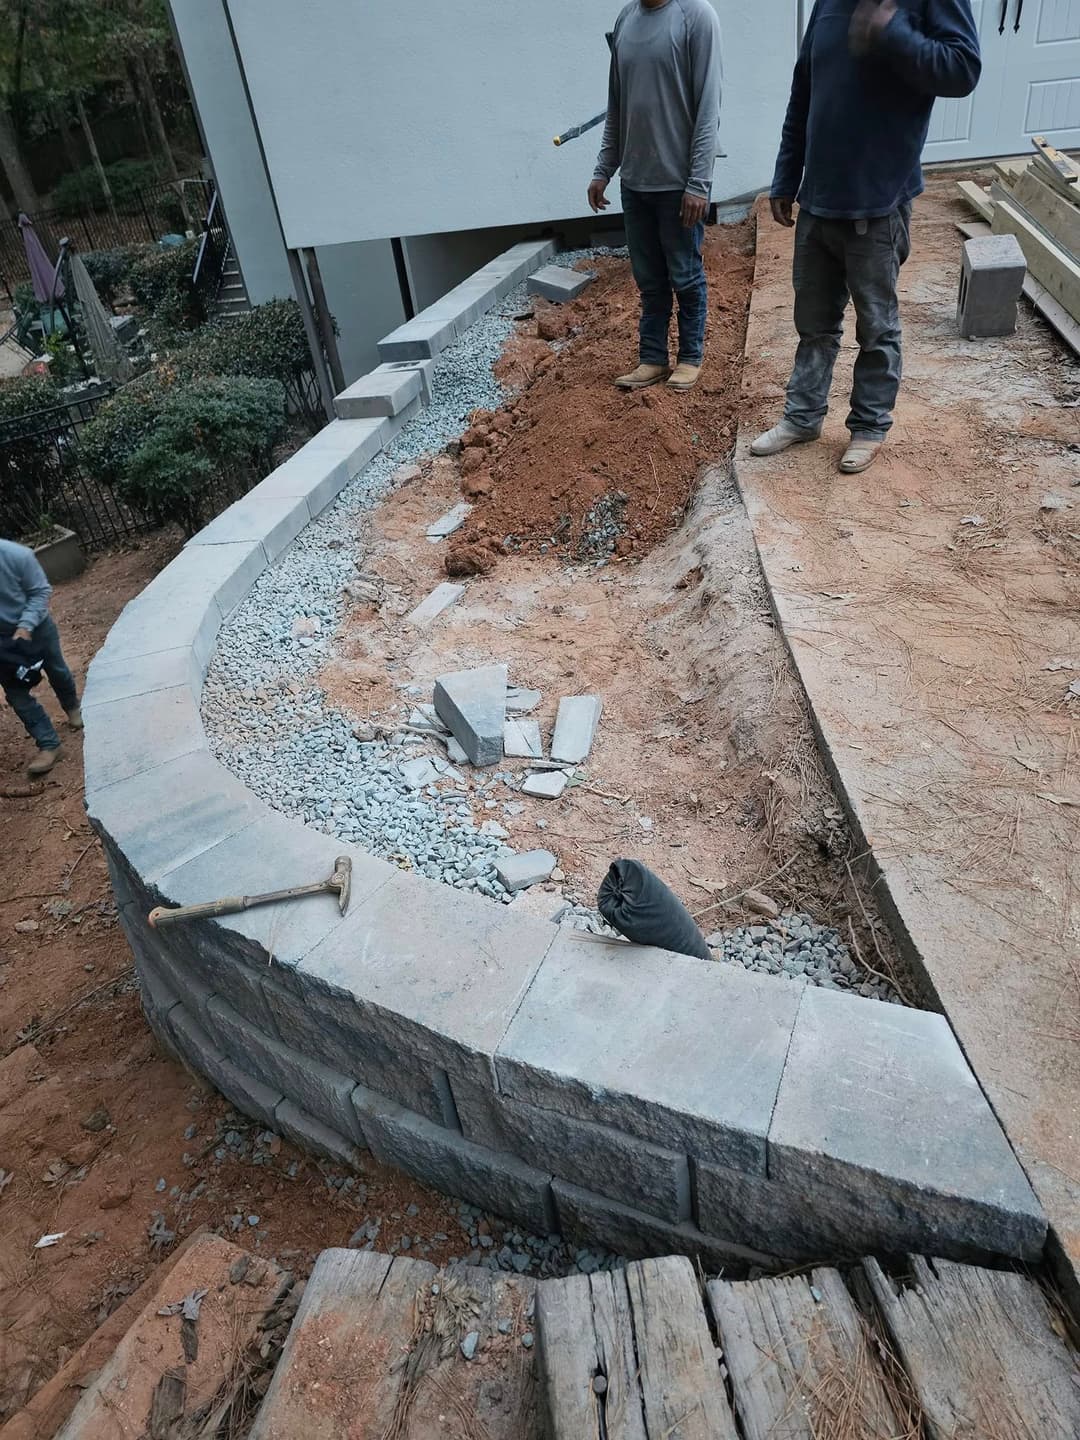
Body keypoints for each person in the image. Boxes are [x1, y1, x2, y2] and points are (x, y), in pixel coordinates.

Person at [752, 0, 980, 474]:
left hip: (878, 202)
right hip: (819, 198)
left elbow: (962, 69)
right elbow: (805, 89)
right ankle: (803, 417)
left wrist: (894, 30)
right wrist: (786, 176)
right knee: (813, 324)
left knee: (877, 328)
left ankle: (870, 425)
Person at [588, 0, 723, 394]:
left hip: (678, 182)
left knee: (685, 274)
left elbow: (709, 107)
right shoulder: (626, 19)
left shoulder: (696, 17)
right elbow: (617, 104)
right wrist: (603, 169)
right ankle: (652, 358)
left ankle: (690, 357)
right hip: (635, 180)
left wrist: (698, 182)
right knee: (649, 280)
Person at [0, 536, 81, 775]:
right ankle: (49, 744)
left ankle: (73, 708)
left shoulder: (17, 555)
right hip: (2, 641)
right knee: (16, 693)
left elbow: (40, 591)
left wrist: (25, 626)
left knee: (56, 669)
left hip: (37, 628)